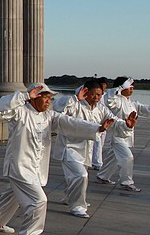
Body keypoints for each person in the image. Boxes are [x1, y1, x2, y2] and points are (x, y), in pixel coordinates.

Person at [0, 83, 111, 235]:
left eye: (49, 98)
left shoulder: (49, 116)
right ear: (34, 97)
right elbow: (4, 105)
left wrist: (97, 128)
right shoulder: (20, 112)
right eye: (44, 97)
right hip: (19, 166)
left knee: (13, 194)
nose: (48, 101)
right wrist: (24, 96)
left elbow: (71, 123)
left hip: (35, 167)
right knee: (39, 200)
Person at [53, 80, 130, 216]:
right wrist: (74, 98)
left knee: (75, 177)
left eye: (99, 95)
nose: (96, 97)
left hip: (86, 149)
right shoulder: (74, 103)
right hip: (69, 148)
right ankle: (78, 206)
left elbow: (113, 120)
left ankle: (69, 197)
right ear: (86, 92)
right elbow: (57, 110)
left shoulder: (100, 108)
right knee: (80, 175)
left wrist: (126, 125)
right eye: (93, 94)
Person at [96, 77, 150, 192]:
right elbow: (109, 96)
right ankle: (127, 182)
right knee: (127, 157)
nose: (132, 88)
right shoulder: (115, 100)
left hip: (126, 135)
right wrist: (121, 86)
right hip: (116, 135)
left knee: (113, 157)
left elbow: (147, 109)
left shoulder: (130, 102)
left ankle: (102, 176)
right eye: (130, 86)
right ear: (122, 88)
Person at [89, 81, 109, 170]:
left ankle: (95, 161)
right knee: (96, 143)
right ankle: (96, 162)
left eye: (99, 95)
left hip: (102, 123)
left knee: (99, 144)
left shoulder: (104, 97)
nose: (96, 97)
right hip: (92, 127)